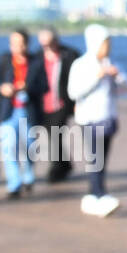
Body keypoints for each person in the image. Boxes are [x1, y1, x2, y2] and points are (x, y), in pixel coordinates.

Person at [68, 24, 125, 217]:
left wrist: (118, 76)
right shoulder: (81, 65)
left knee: (103, 157)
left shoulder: (109, 62)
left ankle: (97, 193)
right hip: (89, 120)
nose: (108, 47)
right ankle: (98, 194)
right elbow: (73, 92)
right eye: (105, 43)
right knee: (95, 158)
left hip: (107, 117)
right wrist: (96, 77)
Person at [0, 29, 47, 199]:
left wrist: (27, 88)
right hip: (9, 111)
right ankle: (14, 184)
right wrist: (3, 89)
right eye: (14, 43)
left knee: (29, 146)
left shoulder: (36, 62)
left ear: (27, 44)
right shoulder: (3, 60)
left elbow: (44, 86)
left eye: (21, 43)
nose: (17, 47)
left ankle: (28, 176)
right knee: (8, 147)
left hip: (28, 110)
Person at [37, 27, 80, 183]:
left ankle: (56, 169)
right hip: (44, 103)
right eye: (43, 44)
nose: (47, 46)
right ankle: (65, 164)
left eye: (49, 42)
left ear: (56, 40)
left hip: (62, 102)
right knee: (52, 135)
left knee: (55, 134)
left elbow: (78, 79)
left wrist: (77, 102)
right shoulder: (37, 57)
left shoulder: (70, 55)